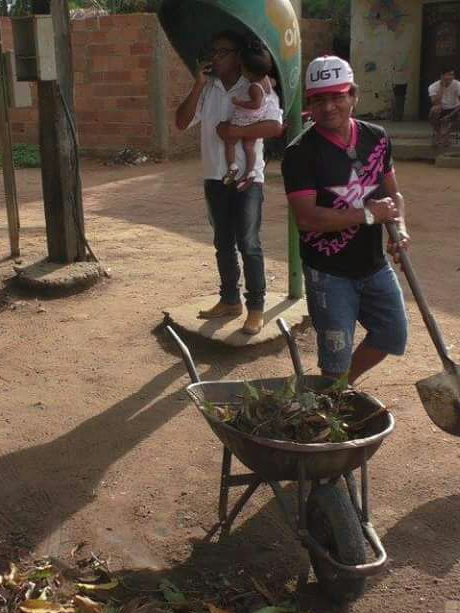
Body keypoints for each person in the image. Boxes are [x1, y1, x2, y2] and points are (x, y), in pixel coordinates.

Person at [281, 56, 409, 384]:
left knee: (392, 334)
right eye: (318, 99)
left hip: (374, 265)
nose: (328, 107)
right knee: (335, 358)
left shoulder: (376, 137)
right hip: (329, 274)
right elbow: (307, 219)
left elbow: (393, 195)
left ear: (354, 95)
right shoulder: (299, 153)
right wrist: (367, 215)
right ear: (309, 103)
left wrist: (400, 228)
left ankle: (337, 391)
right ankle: (334, 392)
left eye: (337, 96)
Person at [175, 30, 283, 335]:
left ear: (238, 56)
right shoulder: (207, 88)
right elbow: (181, 122)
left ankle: (256, 308)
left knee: (248, 243)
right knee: (223, 242)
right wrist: (197, 84)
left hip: (248, 179)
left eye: (222, 52)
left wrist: (235, 132)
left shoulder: (256, 84)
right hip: (214, 177)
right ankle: (229, 300)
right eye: (213, 51)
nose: (215, 57)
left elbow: (274, 126)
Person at [220, 47, 280, 192]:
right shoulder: (267, 81)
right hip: (257, 119)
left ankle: (232, 166)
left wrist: (239, 102)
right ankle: (250, 171)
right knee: (248, 147)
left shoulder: (253, 87)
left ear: (248, 72)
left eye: (242, 67)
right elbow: (273, 84)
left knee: (230, 141)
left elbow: (255, 104)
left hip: (245, 119)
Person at [428, 69, 460, 144]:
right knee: (434, 110)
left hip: (455, 109)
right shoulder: (433, 86)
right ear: (442, 76)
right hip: (441, 109)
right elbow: (435, 103)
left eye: (452, 75)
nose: (451, 77)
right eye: (448, 75)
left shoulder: (457, 84)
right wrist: (442, 87)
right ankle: (439, 134)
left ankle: (447, 134)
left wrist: (449, 115)